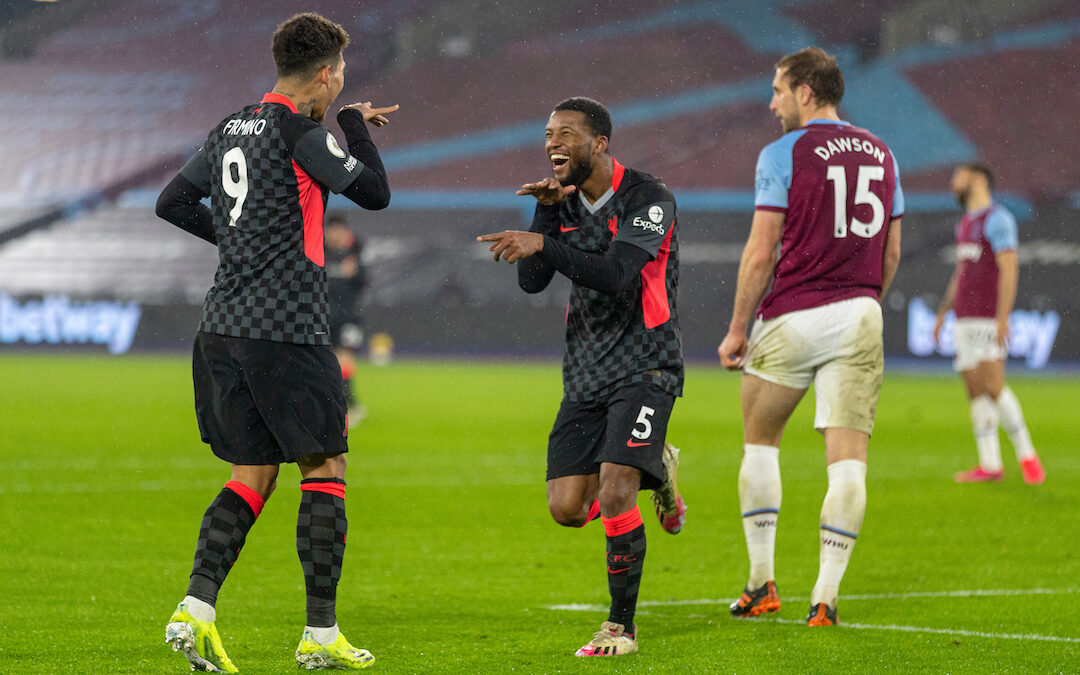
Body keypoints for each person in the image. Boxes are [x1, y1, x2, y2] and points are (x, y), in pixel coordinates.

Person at [154, 12, 397, 672]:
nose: (339, 84)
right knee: (324, 470)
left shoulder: (229, 125)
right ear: (324, 75)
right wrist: (352, 126)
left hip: (221, 330)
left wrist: (236, 242)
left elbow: (171, 202)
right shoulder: (300, 131)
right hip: (285, 330)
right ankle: (320, 634)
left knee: (252, 474)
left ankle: (195, 609)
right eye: (339, 76)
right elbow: (374, 193)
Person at [477, 97, 686, 658]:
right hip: (587, 367)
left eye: (566, 133)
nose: (553, 144)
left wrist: (546, 241)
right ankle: (657, 470)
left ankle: (620, 629)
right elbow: (531, 284)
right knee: (568, 509)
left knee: (617, 489)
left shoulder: (649, 198)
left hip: (647, 361)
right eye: (548, 134)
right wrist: (545, 217)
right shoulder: (563, 203)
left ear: (600, 142)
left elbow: (619, 273)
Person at [717, 47, 903, 627]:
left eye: (777, 90)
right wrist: (865, 301)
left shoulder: (784, 153)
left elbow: (760, 252)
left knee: (760, 441)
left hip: (794, 313)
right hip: (860, 313)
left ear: (805, 92)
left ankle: (760, 583)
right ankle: (824, 598)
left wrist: (736, 329)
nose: (771, 102)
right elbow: (890, 253)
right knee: (848, 463)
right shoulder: (882, 151)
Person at [933, 163, 1045, 485]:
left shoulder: (998, 219)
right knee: (975, 389)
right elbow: (962, 272)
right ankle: (990, 464)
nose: (953, 182)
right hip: (964, 319)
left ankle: (1027, 456)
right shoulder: (965, 223)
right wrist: (944, 311)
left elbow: (1009, 268)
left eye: (959, 176)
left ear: (978, 179)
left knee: (994, 386)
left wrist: (1003, 316)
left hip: (986, 317)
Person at [325, 213, 368, 425]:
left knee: (344, 356)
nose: (335, 234)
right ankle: (340, 404)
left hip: (349, 316)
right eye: (332, 230)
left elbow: (364, 281)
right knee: (328, 360)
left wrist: (354, 272)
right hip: (324, 315)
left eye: (339, 230)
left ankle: (349, 404)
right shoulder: (320, 254)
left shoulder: (354, 254)